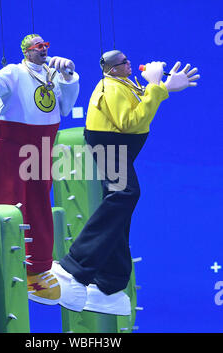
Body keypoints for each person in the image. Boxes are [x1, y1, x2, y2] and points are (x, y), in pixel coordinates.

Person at [52, 50, 200, 315]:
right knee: (126, 194)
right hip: (110, 145)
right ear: (111, 69)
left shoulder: (124, 84)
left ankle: (110, 286)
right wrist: (156, 87)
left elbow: (139, 104)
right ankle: (73, 265)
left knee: (121, 208)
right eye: (124, 62)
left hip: (119, 147)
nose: (129, 63)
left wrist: (163, 87)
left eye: (128, 60)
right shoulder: (111, 87)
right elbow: (131, 121)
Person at [0, 33, 79, 305]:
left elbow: (65, 108)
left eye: (45, 45)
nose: (43, 49)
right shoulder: (14, 72)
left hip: (43, 142)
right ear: (26, 51)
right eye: (37, 46)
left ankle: (39, 266)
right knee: (10, 200)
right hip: (13, 142)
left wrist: (68, 76)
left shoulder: (52, 74)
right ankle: (8, 264)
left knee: (40, 202)